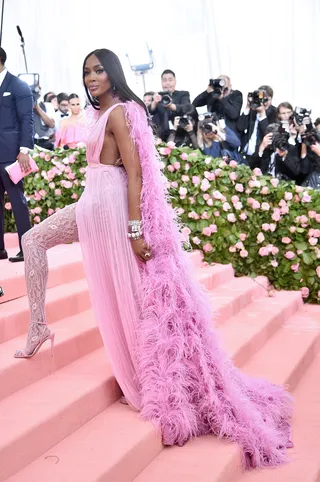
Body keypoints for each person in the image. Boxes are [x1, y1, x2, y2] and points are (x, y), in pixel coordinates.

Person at [15, 48, 293, 469]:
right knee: (34, 241)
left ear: (114, 74)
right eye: (87, 72)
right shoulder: (96, 115)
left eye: (99, 71)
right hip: (90, 201)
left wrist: (133, 229)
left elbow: (136, 173)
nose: (91, 78)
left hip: (110, 209)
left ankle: (146, 372)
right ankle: (38, 328)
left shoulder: (123, 112)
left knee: (125, 286)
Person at [0, 47, 33, 263]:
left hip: (11, 154)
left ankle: (26, 248)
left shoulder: (18, 86)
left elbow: (27, 119)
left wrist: (24, 150)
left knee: (18, 202)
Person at [148, 69, 193, 141]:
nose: (167, 83)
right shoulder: (158, 96)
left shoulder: (183, 94)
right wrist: (155, 102)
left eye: (170, 80)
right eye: (164, 80)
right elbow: (149, 111)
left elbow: (187, 108)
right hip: (162, 138)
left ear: (175, 81)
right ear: (161, 82)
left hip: (181, 136)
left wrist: (170, 105)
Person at [237, 85, 277, 165]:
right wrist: (248, 107)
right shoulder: (253, 109)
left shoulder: (274, 112)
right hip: (245, 153)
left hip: (260, 157)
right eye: (261, 99)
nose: (264, 102)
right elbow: (240, 127)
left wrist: (262, 114)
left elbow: (269, 134)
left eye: (266, 99)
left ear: (271, 99)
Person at [33, 85, 56, 150]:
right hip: (29, 143)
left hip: (45, 143)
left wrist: (37, 107)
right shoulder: (22, 105)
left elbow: (51, 124)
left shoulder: (48, 105)